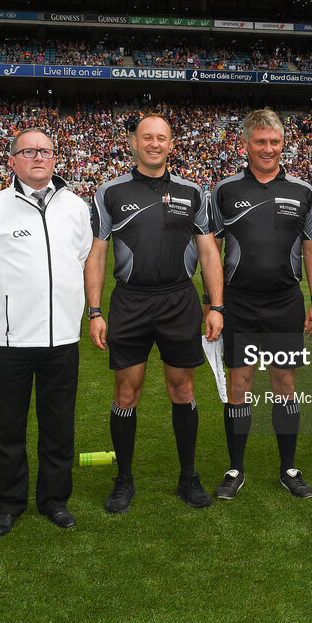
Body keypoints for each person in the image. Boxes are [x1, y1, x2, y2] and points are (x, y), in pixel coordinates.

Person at [85, 113, 224, 512]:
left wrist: (216, 305)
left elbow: (210, 250)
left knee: (183, 388)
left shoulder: (193, 191)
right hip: (130, 302)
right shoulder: (109, 191)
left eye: (161, 138)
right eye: (147, 137)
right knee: (126, 390)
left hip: (179, 300)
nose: (154, 144)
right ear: (133, 142)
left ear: (170, 144)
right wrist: (95, 311)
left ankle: (188, 477)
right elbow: (97, 253)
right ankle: (123, 479)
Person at [0, 128, 92, 536]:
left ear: (55, 157)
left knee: (58, 424)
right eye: (28, 151)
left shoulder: (76, 207)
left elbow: (79, 260)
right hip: (9, 338)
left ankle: (54, 499)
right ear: (12, 160)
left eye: (45, 150)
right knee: (8, 425)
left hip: (61, 337)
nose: (38, 156)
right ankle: (7, 503)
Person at [208, 109, 312, 500]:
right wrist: (216, 304)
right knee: (239, 384)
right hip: (239, 302)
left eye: (274, 142)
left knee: (285, 384)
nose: (268, 148)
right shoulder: (224, 191)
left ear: (282, 144)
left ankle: (289, 468)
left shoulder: (303, 191)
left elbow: (311, 248)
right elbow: (212, 251)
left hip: (285, 302)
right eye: (260, 141)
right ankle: (235, 468)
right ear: (246, 145)